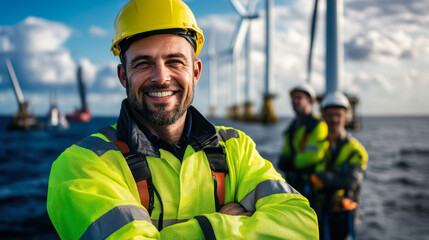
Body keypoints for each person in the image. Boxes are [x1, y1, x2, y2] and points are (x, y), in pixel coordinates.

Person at [46, 1, 319, 239]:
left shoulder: (237, 148)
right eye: (143, 63)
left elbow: (302, 226)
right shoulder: (83, 164)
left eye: (175, 61)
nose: (161, 77)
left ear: (196, 71)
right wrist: (227, 225)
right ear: (122, 76)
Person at [310, 91, 368, 240]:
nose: (334, 119)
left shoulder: (356, 150)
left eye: (338, 115)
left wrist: (322, 179)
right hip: (317, 212)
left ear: (346, 116)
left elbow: (353, 179)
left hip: (343, 216)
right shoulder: (315, 146)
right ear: (323, 116)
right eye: (329, 115)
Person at [278, 83, 328, 198]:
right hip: (293, 184)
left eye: (299, 98)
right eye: (293, 98)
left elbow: (313, 156)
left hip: (311, 186)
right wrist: (284, 161)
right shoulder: (291, 128)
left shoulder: (319, 126)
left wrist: (290, 162)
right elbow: (285, 152)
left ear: (310, 100)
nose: (294, 101)